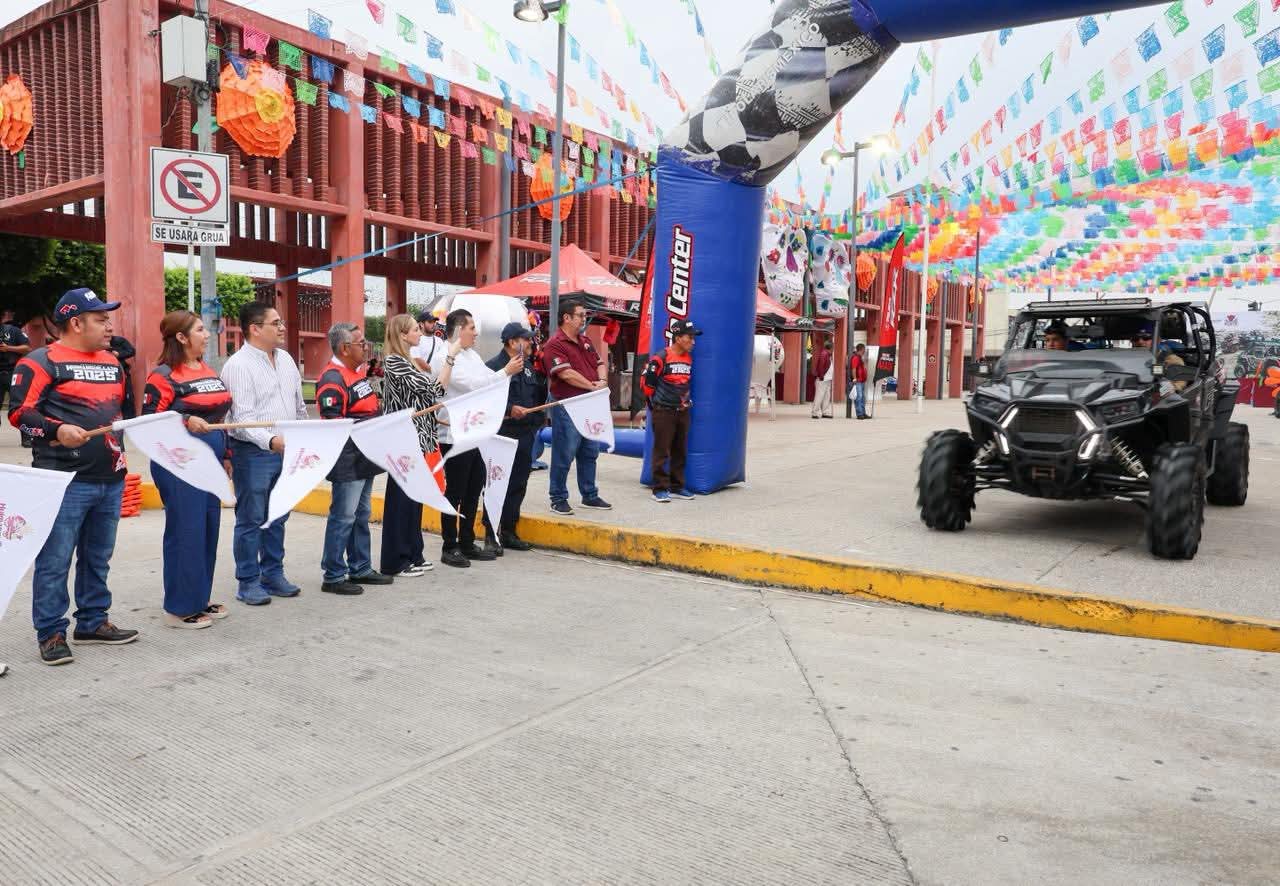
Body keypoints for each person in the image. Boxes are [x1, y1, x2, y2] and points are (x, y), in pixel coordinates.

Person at [8, 288, 139, 665]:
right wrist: (56, 430)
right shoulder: (39, 361)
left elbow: (118, 416)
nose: (109, 325)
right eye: (101, 319)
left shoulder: (113, 362)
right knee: (55, 560)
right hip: (61, 480)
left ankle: (93, 621)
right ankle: (50, 632)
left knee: (99, 556)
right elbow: (19, 415)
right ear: (76, 322)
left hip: (110, 477)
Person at [141, 310, 233, 629]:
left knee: (208, 529)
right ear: (181, 337)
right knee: (186, 531)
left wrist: (228, 455)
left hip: (211, 463)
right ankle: (179, 608)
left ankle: (199, 597)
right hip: (179, 465)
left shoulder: (206, 369)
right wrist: (183, 420)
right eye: (200, 330)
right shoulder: (163, 375)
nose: (207, 334)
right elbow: (148, 421)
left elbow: (221, 418)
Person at [220, 301, 309, 606]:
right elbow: (242, 420)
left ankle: (273, 573)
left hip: (286, 449)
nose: (282, 328)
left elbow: (298, 407)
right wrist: (272, 441)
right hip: (254, 453)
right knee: (251, 518)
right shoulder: (238, 366)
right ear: (255, 329)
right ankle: (248, 581)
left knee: (279, 514)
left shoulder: (285, 360)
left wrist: (304, 434)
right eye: (276, 323)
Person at [431, 309, 522, 567]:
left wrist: (500, 374)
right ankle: (450, 545)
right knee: (455, 491)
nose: (476, 332)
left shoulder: (471, 355)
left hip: (475, 431)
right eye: (471, 327)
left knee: (474, 487)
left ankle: (467, 541)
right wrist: (504, 372)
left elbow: (484, 379)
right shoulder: (444, 356)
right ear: (459, 329)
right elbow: (473, 385)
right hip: (454, 432)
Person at [316, 322, 394, 596]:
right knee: (343, 516)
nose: (366, 348)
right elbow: (332, 423)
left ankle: (360, 566)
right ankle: (334, 574)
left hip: (365, 456)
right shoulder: (333, 379)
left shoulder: (355, 373)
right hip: (348, 459)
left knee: (361, 514)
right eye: (361, 344)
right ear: (345, 348)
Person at [379, 313, 454, 577]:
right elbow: (435, 391)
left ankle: (414, 552)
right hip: (404, 441)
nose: (419, 334)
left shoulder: (408, 362)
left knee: (416, 498)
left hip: (421, 439)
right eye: (414, 330)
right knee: (401, 501)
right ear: (402, 335)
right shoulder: (394, 363)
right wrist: (451, 357)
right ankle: (395, 560)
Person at [542, 299, 612, 515]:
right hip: (568, 405)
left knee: (590, 451)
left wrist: (602, 382)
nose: (584, 319)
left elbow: (600, 363)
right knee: (565, 451)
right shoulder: (555, 344)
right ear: (567, 318)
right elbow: (565, 374)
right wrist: (592, 386)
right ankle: (558, 497)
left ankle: (589, 495)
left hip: (590, 403)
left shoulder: (585, 341)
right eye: (580, 315)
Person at [482, 322, 545, 552]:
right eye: (525, 339)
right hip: (502, 434)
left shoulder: (528, 367)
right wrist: (510, 410)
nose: (530, 343)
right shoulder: (493, 367)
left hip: (525, 434)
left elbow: (536, 396)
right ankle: (491, 533)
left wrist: (537, 422)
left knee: (518, 483)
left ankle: (509, 530)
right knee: (496, 483)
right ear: (511, 342)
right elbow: (487, 400)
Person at [643, 320, 701, 503]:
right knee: (662, 450)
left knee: (680, 449)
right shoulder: (660, 357)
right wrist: (657, 406)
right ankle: (659, 489)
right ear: (677, 338)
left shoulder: (688, 359)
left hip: (682, 412)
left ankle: (677, 486)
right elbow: (647, 386)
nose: (693, 342)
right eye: (689, 337)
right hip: (664, 412)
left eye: (694, 338)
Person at [108, 334, 137, 419]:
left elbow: (131, 351)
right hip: (109, 376)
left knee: (127, 399)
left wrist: (119, 354)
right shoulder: (94, 343)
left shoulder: (118, 341)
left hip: (123, 374)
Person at [810, 341, 833, 419]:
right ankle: (815, 412)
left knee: (826, 396)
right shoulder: (824, 354)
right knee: (819, 396)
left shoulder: (827, 354)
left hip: (827, 379)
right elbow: (821, 366)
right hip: (823, 378)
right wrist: (821, 375)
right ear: (831, 348)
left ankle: (825, 411)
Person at [849, 342, 869, 420]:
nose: (864, 351)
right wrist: (854, 379)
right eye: (864, 350)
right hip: (858, 381)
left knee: (862, 398)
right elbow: (854, 369)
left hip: (862, 381)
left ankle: (863, 413)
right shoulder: (856, 358)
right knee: (859, 397)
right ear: (861, 349)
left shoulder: (860, 357)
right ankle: (859, 414)